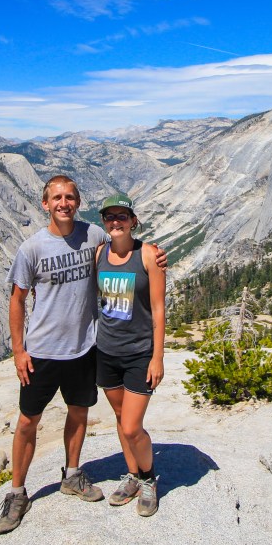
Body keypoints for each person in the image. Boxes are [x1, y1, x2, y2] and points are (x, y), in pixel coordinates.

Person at [0, 176, 165, 534]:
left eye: (70, 197)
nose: (63, 203)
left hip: (84, 350)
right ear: (45, 204)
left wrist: (155, 252)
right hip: (41, 351)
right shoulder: (31, 249)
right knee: (28, 422)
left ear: (77, 202)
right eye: (56, 197)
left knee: (78, 413)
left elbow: (128, 245)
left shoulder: (94, 236)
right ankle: (16, 492)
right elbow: (17, 299)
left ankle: (72, 474)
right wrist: (18, 350)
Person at [95, 192, 165, 517]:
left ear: (133, 221)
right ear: (104, 222)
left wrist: (158, 357)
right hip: (107, 352)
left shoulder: (149, 255)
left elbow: (158, 309)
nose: (116, 221)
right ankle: (133, 475)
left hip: (139, 354)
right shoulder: (98, 254)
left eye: (122, 216)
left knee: (132, 426)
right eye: (110, 216)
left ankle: (149, 478)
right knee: (121, 422)